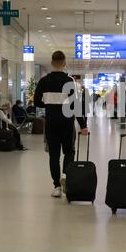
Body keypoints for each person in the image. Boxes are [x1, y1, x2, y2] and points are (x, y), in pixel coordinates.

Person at [34, 51, 88, 198]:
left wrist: (50, 105)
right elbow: (76, 105)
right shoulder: (70, 81)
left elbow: (37, 101)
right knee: (69, 151)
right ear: (64, 63)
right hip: (67, 123)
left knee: (54, 155)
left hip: (51, 123)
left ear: (52, 63)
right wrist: (83, 125)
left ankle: (57, 187)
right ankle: (65, 175)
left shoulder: (44, 81)